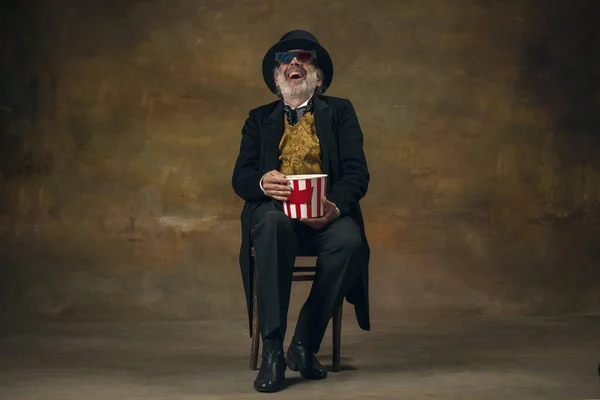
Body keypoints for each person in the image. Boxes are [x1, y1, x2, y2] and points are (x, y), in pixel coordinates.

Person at [231, 30, 371, 393]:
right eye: (284, 59)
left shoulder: (341, 112)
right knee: (273, 226)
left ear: (318, 76)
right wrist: (263, 182)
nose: (293, 62)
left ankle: (304, 343)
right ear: (277, 79)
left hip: (323, 215)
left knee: (350, 242)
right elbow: (241, 177)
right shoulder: (258, 118)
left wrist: (335, 207)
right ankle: (274, 352)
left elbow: (357, 173)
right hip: (275, 215)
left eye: (303, 57)